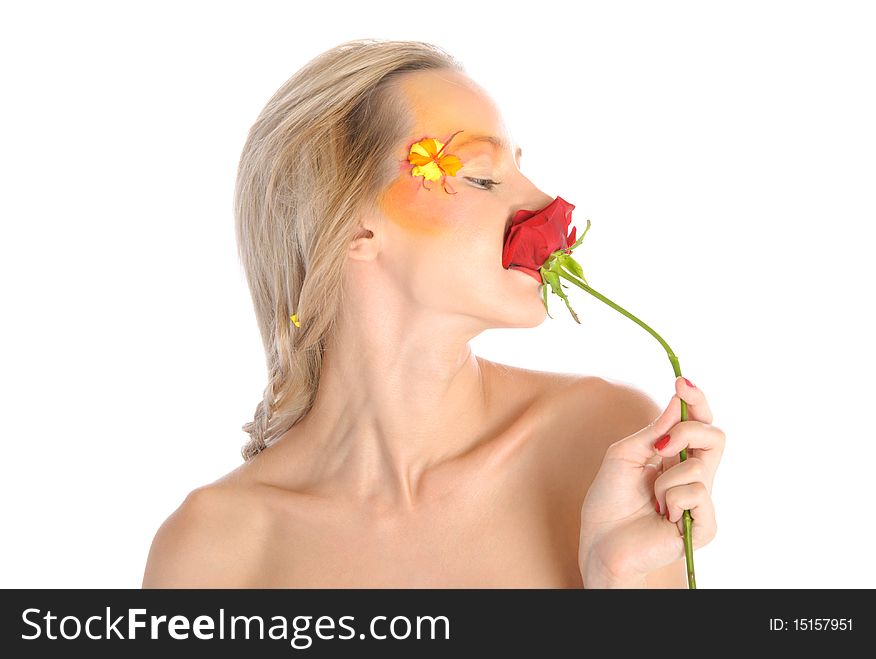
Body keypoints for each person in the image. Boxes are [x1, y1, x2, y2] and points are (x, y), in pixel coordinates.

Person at [142, 39, 724, 588]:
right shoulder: (211, 550)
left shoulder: (604, 443)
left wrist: (618, 582)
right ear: (352, 225)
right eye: (481, 175)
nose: (549, 208)